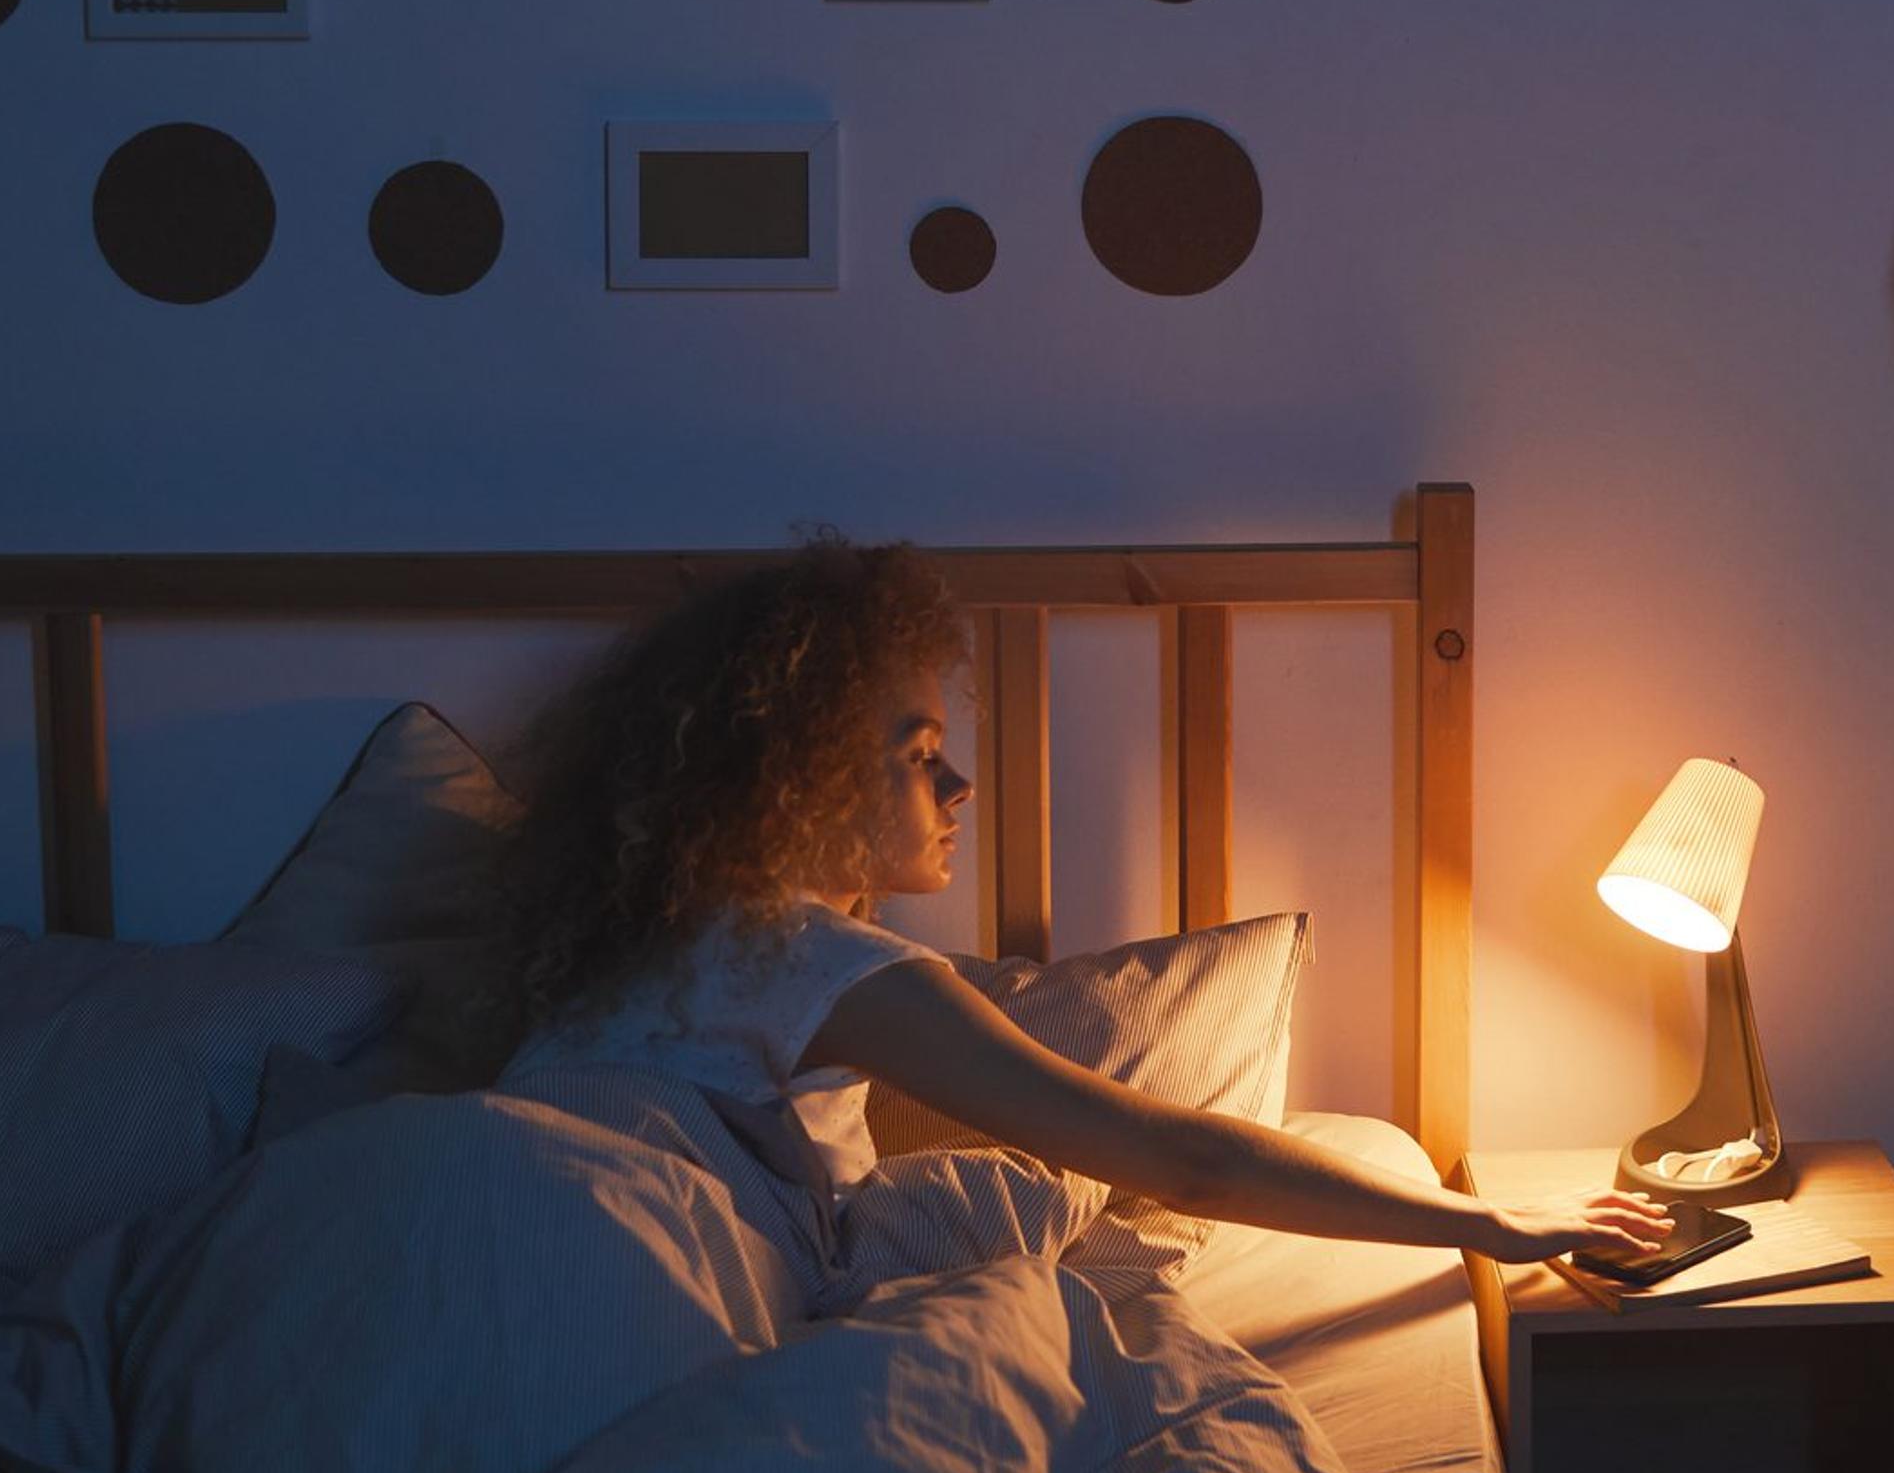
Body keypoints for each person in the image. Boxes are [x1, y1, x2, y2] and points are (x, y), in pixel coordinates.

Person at [495, 537, 1669, 1269]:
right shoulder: (822, 964)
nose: (958, 786)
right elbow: (1176, 1159)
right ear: (797, 771)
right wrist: (1486, 1224)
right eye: (917, 755)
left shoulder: (643, 937)